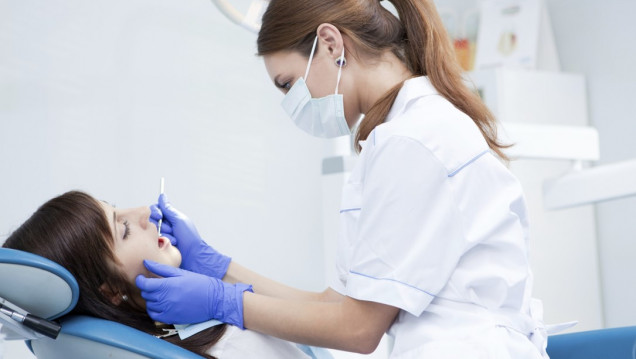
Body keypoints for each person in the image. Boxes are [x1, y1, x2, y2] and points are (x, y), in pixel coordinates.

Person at [135, 0, 549, 358]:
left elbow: (358, 329)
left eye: (287, 84)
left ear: (331, 44)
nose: (291, 104)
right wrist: (216, 266)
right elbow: (333, 306)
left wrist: (222, 301)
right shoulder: (397, 136)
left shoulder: (414, 140)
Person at [2, 191, 319, 359]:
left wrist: (218, 269)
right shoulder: (227, 345)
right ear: (111, 290)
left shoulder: (174, 336)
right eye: (123, 228)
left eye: (117, 208)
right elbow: (348, 325)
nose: (145, 211)